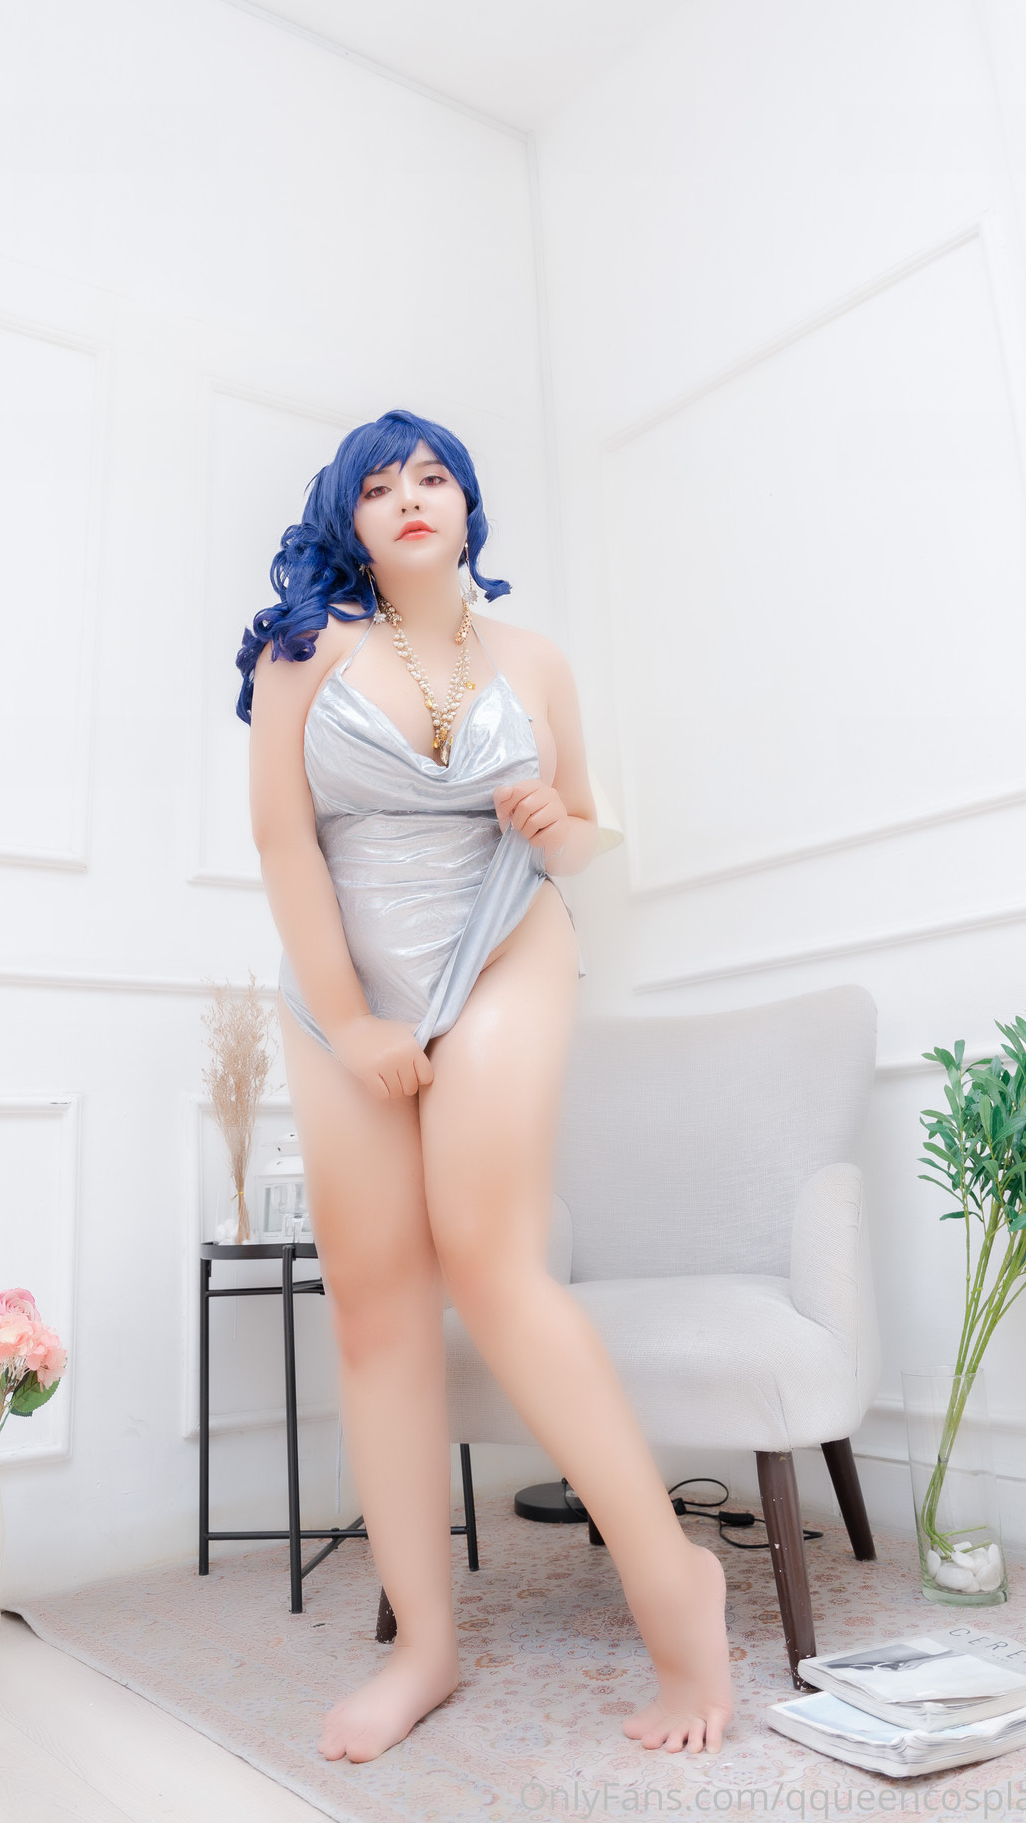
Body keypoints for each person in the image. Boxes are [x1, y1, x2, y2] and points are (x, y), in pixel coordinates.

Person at [236, 409, 732, 1765]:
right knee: (375, 1308)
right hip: (345, 982)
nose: (411, 495)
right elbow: (284, 845)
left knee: (489, 1259)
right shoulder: (301, 655)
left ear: (466, 507)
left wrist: (556, 822)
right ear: (349, 519)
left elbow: (579, 832)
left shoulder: (534, 659)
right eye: (379, 484)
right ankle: (426, 1649)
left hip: (505, 944)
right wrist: (350, 1022)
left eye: (434, 476)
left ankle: (673, 1586)